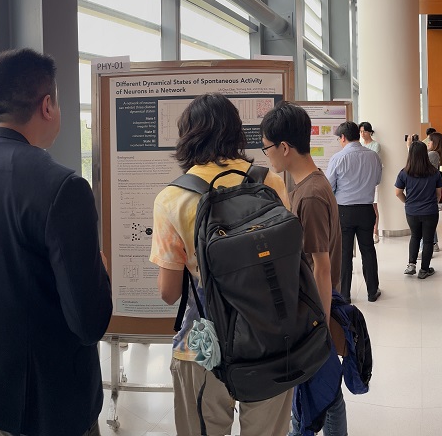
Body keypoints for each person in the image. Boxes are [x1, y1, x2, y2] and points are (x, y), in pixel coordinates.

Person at [0, 48, 111, 436]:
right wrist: (100, 272)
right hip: (45, 397)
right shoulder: (63, 186)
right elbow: (89, 322)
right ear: (47, 105)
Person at [152, 93, 296, 435]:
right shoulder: (268, 182)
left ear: (188, 135)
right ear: (235, 132)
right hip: (271, 340)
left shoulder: (171, 198)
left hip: (203, 348)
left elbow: (169, 293)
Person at [259, 103, 348, 436]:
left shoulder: (309, 195)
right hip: (316, 311)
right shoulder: (311, 183)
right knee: (328, 397)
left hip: (313, 316)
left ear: (284, 147)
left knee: (308, 407)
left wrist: (319, 331)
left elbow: (321, 268)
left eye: (267, 147)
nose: (266, 155)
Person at [329, 120, 384, 301]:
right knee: (368, 249)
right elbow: (377, 180)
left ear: (343, 137)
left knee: (344, 253)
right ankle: (372, 291)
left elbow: (330, 186)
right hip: (366, 209)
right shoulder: (373, 156)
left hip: (344, 211)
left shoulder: (338, 158)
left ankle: (344, 294)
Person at [396, 141, 442, 279]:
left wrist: (408, 202)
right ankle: (424, 270)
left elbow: (398, 192)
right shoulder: (434, 173)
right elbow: (438, 194)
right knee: (428, 240)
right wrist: (431, 203)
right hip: (430, 211)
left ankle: (411, 264)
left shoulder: (404, 172)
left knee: (415, 236)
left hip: (412, 211)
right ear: (425, 154)